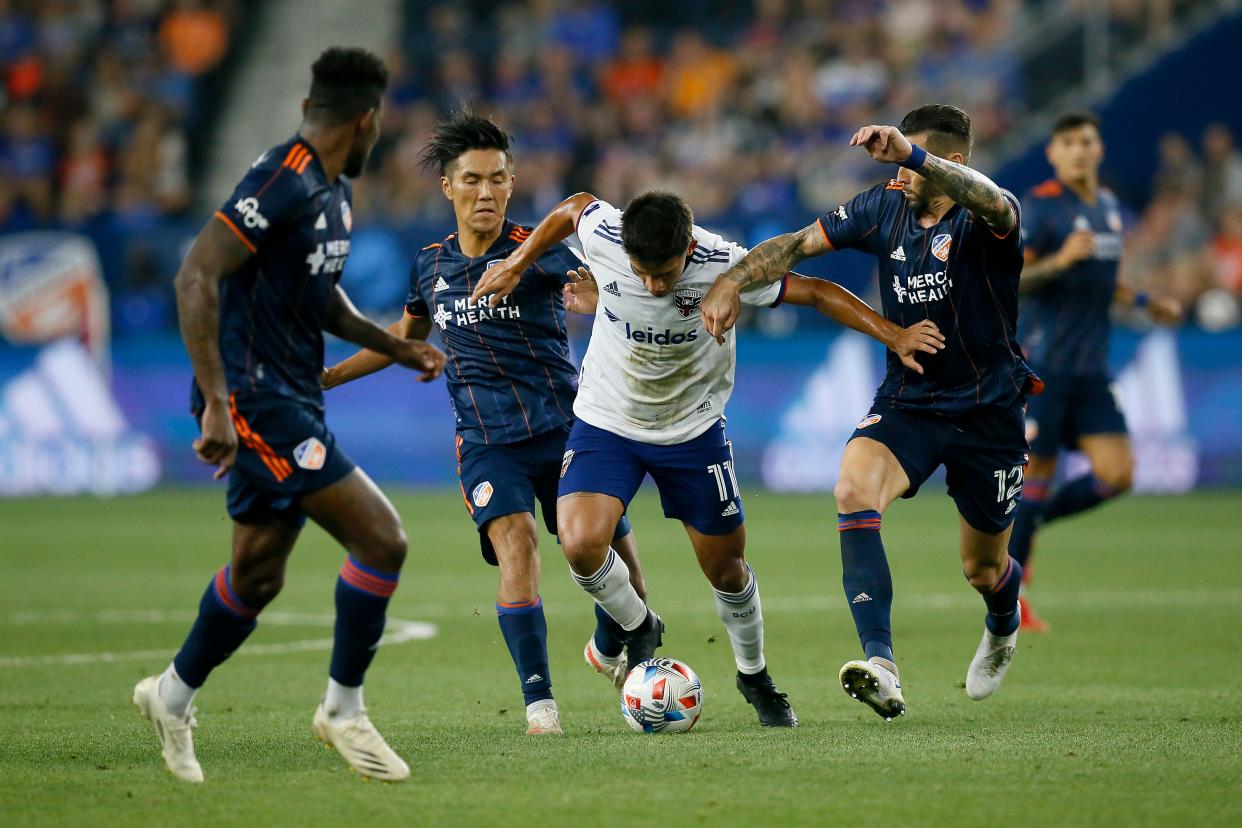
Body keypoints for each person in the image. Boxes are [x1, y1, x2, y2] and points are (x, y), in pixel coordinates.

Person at [471, 189, 943, 727]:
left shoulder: (723, 264)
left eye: (666, 274)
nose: (653, 285)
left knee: (727, 570)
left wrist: (894, 333)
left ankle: (754, 674)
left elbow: (813, 292)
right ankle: (639, 626)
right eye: (641, 273)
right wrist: (516, 262)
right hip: (607, 420)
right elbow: (572, 207)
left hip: (693, 431)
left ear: (689, 248)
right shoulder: (604, 234)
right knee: (578, 541)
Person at [132, 48, 446, 783]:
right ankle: (343, 710)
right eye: (380, 125)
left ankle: (171, 696)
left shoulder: (332, 192)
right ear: (365, 119)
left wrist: (394, 347)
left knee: (258, 573)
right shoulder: (280, 178)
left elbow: (319, 299)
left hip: (292, 395)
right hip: (255, 399)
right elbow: (197, 273)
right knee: (383, 540)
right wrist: (215, 400)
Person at [702, 104, 1038, 720]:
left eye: (913, 163)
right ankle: (880, 662)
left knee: (982, 567)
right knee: (853, 488)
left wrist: (913, 156)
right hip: (911, 399)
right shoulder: (884, 205)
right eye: (902, 162)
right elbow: (798, 244)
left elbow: (998, 204)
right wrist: (733, 279)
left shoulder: (987, 217)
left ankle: (1003, 617)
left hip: (990, 410)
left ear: (949, 162)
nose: (900, 175)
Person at [322, 112, 643, 736]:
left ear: (512, 182)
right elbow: (407, 335)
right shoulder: (429, 266)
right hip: (487, 444)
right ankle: (540, 703)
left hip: (568, 433)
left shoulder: (539, 251)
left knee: (622, 573)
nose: (486, 192)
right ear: (448, 187)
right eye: (472, 180)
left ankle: (636, 654)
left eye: (498, 179)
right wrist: (332, 377)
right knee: (516, 546)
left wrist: (597, 300)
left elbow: (631, 293)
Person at [1009, 111, 1181, 630]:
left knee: (1118, 474)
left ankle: (1031, 528)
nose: (1080, 151)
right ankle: (1011, 600)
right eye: (1069, 143)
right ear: (1054, 154)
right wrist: (1058, 262)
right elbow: (1013, 279)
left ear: (1099, 149)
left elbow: (1106, 278)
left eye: (1087, 141)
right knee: (1036, 473)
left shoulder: (1107, 207)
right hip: (1045, 363)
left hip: (1092, 368)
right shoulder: (1040, 208)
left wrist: (1144, 301)